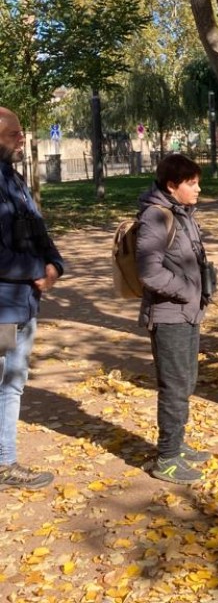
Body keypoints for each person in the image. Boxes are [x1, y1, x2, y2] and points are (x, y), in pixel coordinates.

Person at [137, 154, 214, 485]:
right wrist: (185, 290)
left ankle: (177, 445)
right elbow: (148, 271)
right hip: (170, 314)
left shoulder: (182, 214)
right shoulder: (157, 217)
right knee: (174, 385)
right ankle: (166, 458)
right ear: (172, 186)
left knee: (186, 381)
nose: (198, 188)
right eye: (191, 183)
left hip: (188, 312)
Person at [0, 107, 64, 489]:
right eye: (14, 134)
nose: (21, 138)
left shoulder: (14, 179)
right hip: (4, 308)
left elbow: (38, 230)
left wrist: (55, 263)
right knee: (5, 383)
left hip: (23, 304)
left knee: (14, 382)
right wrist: (36, 269)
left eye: (21, 133)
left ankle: (5, 459)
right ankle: (5, 462)